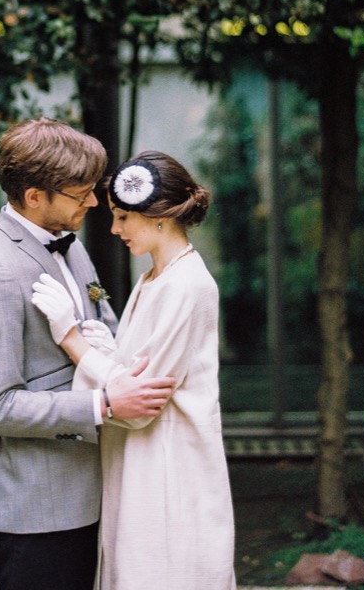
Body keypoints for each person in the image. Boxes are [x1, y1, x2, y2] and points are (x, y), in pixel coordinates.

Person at [0, 119, 176, 590]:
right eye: (82, 195)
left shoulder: (71, 248)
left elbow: (107, 333)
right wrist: (106, 405)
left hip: (101, 490)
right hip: (41, 511)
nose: (95, 203)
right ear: (34, 196)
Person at [32, 150, 237, 590]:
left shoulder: (188, 285)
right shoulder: (155, 278)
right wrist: (107, 351)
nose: (114, 229)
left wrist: (72, 339)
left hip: (170, 475)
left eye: (124, 217)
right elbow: (131, 373)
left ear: (159, 216)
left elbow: (139, 404)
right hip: (144, 467)